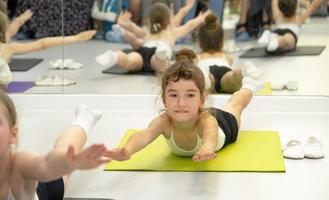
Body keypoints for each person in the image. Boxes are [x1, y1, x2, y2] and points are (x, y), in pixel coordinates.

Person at [106, 49, 263, 162]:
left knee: (235, 105)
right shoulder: (164, 121)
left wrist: (207, 149)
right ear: (164, 100)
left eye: (190, 95)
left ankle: (249, 85)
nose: (181, 103)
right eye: (174, 95)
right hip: (198, 113)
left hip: (223, 124)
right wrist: (126, 150)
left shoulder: (207, 121)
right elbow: (143, 136)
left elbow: (211, 136)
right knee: (233, 104)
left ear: (202, 100)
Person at [0, 91, 111, 199]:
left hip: (41, 187)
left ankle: (85, 119)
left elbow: (46, 164)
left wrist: (69, 160)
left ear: (13, 134)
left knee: (60, 175)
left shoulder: (19, 165)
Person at [95, 2, 210, 74]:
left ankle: (115, 56)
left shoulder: (146, 31)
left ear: (150, 19)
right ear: (168, 19)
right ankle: (161, 53)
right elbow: (189, 25)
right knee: (162, 67)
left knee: (129, 61)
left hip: (143, 52)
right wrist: (201, 18)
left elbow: (132, 26)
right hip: (158, 55)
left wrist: (122, 22)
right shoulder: (170, 33)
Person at [0, 11, 96, 87]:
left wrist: (20, 20)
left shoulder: (7, 47)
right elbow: (41, 44)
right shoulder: (7, 48)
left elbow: (41, 44)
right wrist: (75, 38)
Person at [197, 14, 262, 93]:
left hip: (206, 69)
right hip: (224, 70)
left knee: (206, 83)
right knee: (231, 79)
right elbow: (230, 62)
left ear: (200, 42)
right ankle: (241, 72)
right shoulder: (226, 57)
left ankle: (206, 77)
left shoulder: (198, 57)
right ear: (222, 42)